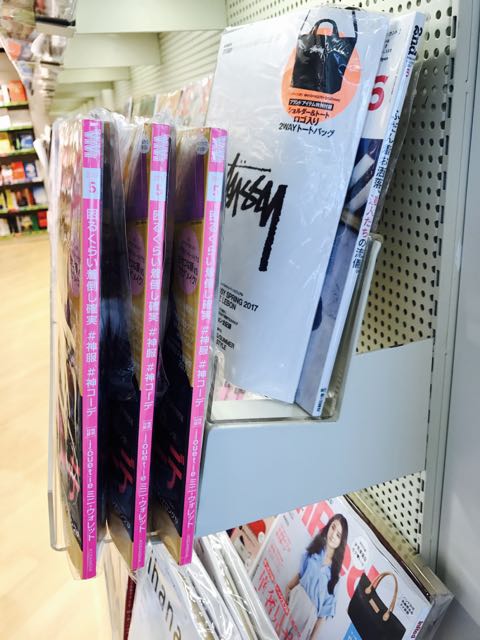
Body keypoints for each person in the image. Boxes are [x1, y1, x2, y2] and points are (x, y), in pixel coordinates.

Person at [285, 514, 349, 640]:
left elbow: (323, 615)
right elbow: (300, 574)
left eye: (338, 535)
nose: (333, 535)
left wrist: (313, 638)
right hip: (295, 599)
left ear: (341, 541)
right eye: (333, 527)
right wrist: (288, 588)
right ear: (328, 526)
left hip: (309, 616)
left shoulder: (335, 576)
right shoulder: (315, 549)